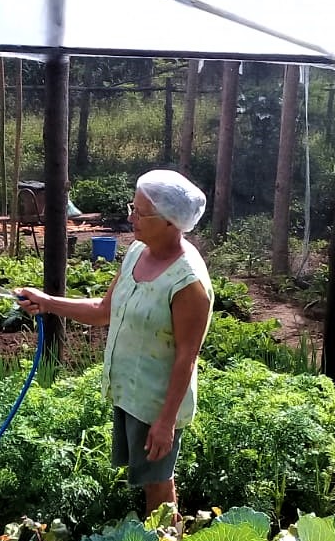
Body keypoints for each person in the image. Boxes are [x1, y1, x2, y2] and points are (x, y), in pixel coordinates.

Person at [16, 169, 213, 518]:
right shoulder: (138, 251)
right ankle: (159, 539)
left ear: (171, 222)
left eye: (140, 213)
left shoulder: (188, 282)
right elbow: (103, 310)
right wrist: (47, 302)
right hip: (128, 389)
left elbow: (187, 356)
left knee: (158, 479)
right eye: (132, 207)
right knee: (150, 476)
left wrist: (165, 422)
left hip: (156, 399)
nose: (130, 217)